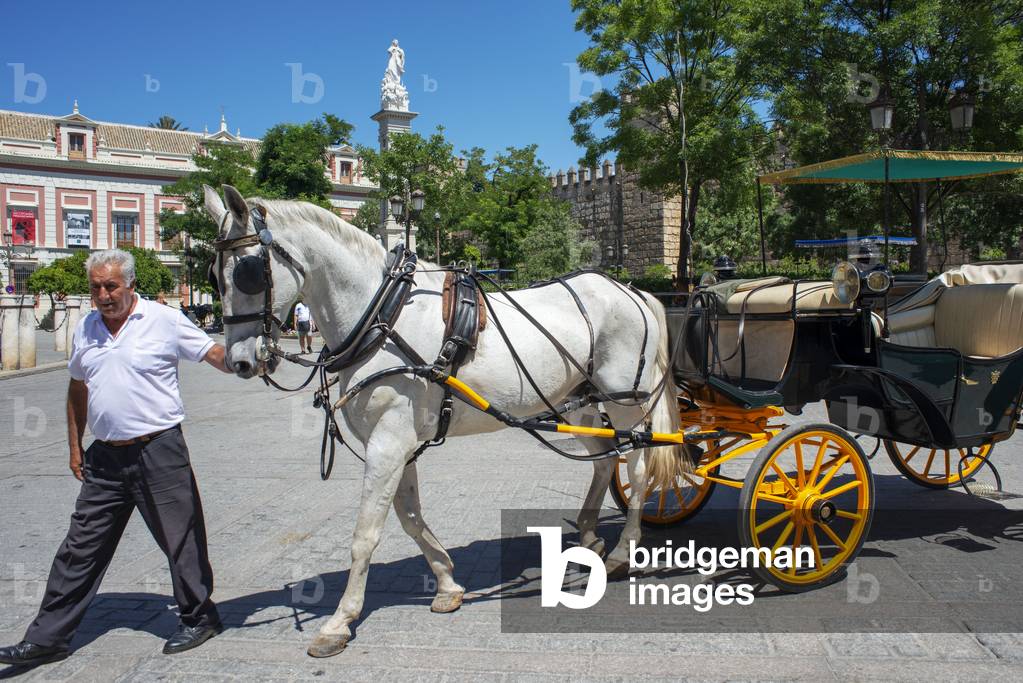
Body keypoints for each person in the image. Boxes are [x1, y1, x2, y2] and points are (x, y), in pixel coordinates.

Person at [0, 249, 233, 669]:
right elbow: (77, 388)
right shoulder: (87, 327)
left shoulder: (163, 320)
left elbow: (210, 352)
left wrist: (243, 359)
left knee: (181, 539)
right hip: (105, 458)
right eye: (95, 288)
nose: (103, 295)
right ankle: (47, 638)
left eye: (111, 287)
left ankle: (200, 617)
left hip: (159, 449)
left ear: (130, 285)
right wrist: (75, 446)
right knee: (79, 547)